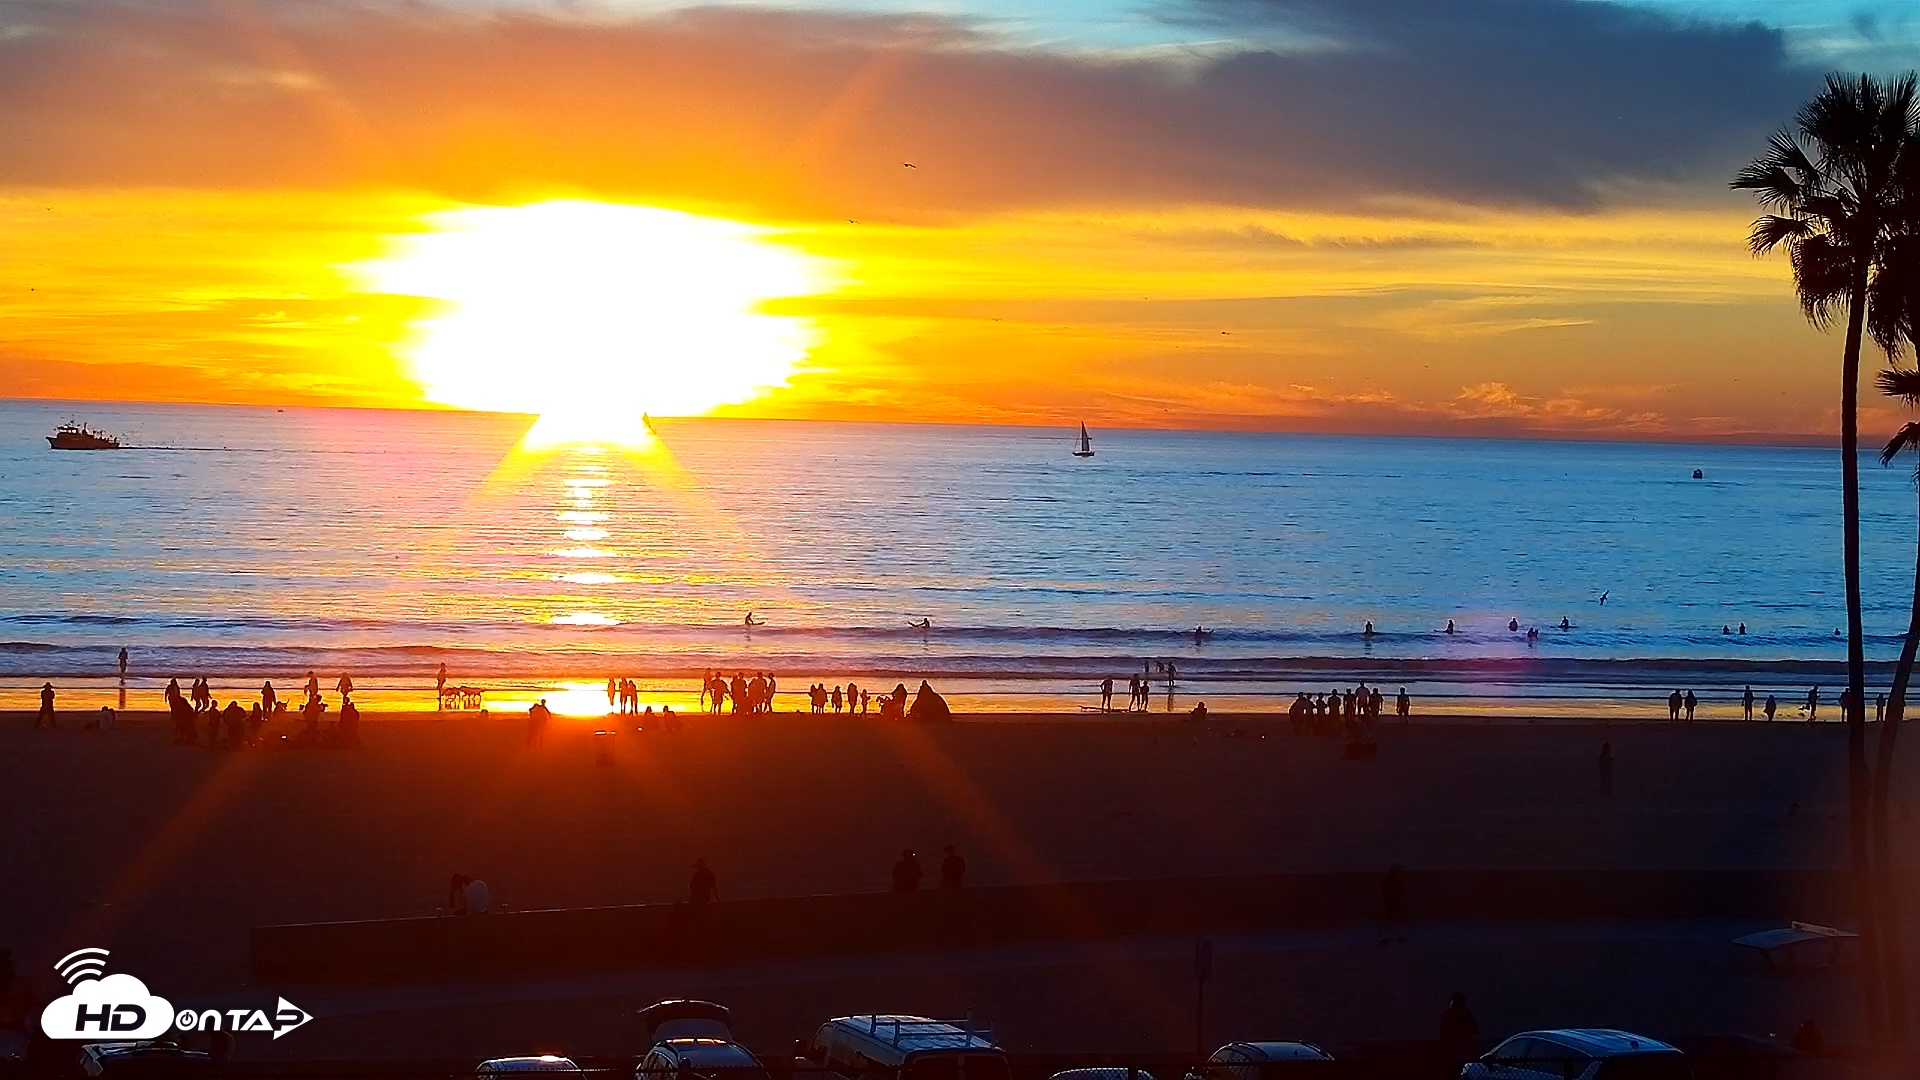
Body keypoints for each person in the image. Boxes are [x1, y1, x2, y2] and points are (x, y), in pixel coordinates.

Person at [1438, 992, 1480, 1061]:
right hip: (1456, 1045)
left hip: (1460, 1045)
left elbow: (1474, 1028)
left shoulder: (1464, 1013)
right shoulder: (1452, 1013)